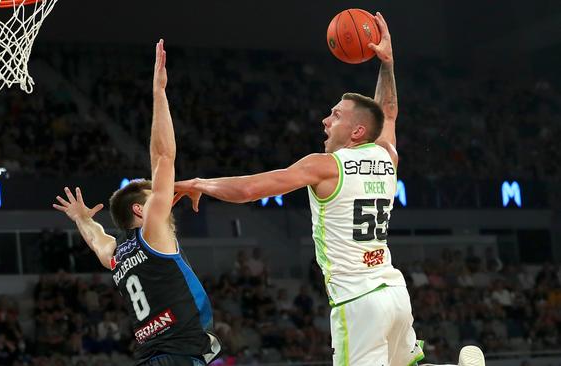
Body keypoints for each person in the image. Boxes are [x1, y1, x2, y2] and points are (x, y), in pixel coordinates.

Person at [174, 13, 484, 366]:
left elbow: (249, 190)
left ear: (356, 132)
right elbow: (388, 113)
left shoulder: (325, 167)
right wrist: (387, 64)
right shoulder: (387, 155)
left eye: (336, 115)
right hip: (395, 293)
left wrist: (199, 183)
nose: (325, 119)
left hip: (358, 302)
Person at [53, 39, 220, 366]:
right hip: (178, 357)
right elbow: (162, 156)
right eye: (156, 198)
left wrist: (81, 219)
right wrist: (159, 93)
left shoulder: (116, 255)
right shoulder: (151, 234)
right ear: (140, 210)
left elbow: (96, 240)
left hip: (151, 358)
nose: (166, 199)